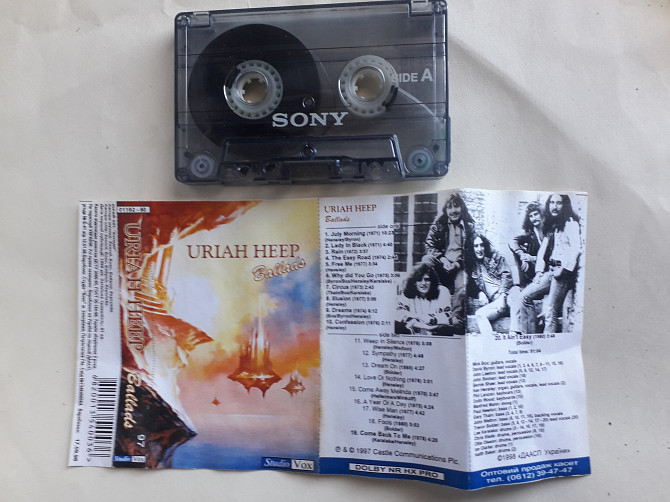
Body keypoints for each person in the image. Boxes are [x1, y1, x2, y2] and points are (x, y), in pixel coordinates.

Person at [518, 194, 581, 333]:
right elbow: (542, 250)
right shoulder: (552, 225)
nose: (554, 206)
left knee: (550, 311)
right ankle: (530, 336)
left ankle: (548, 342)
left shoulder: (571, 223)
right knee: (524, 297)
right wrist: (539, 272)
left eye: (558, 203)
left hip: (563, 275)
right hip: (551, 271)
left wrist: (564, 269)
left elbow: (576, 249)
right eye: (552, 202)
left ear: (564, 205)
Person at [422, 192, 475, 334]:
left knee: (462, 284)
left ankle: (456, 317)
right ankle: (428, 311)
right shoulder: (439, 224)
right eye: (449, 207)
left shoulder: (469, 226)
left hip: (459, 267)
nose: (453, 211)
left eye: (456, 206)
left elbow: (471, 252)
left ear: (462, 207)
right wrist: (442, 259)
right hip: (442, 265)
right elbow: (429, 245)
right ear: (445, 210)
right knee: (426, 260)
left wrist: (458, 264)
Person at [465, 234, 521, 336]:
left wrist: (503, 295)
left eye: (481, 245)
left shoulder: (496, 257)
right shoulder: (473, 267)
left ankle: (514, 333)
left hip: (508, 295)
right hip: (496, 303)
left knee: (516, 290)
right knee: (479, 314)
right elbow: (469, 285)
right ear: (472, 248)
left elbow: (506, 275)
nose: (479, 249)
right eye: (476, 246)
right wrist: (480, 293)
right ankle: (491, 341)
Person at [396, 264, 460, 336]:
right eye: (419, 280)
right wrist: (425, 326)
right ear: (414, 282)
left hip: (436, 332)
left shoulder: (442, 291)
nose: (423, 283)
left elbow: (447, 317)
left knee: (444, 329)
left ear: (432, 281)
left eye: (427, 280)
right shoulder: (408, 292)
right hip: (415, 332)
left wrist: (418, 317)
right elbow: (398, 313)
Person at [508, 202, 544, 287]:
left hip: (547, 267)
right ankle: (523, 285)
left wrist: (532, 258)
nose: (534, 218)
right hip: (534, 268)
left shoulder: (548, 231)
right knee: (519, 253)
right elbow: (512, 241)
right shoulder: (530, 232)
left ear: (541, 214)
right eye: (531, 216)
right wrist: (522, 255)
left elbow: (550, 256)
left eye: (536, 214)